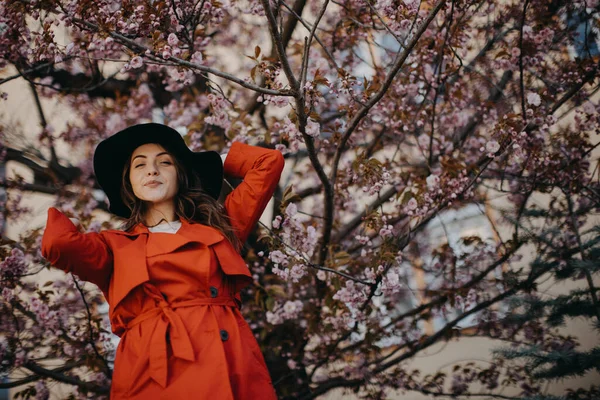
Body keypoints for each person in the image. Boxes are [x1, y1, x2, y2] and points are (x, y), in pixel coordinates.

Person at [41, 123, 284, 399]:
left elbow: (269, 162)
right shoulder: (113, 245)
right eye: (139, 165)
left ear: (181, 174)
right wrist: (70, 222)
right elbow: (57, 244)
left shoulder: (219, 229)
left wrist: (212, 162)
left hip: (228, 360)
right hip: (154, 370)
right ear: (129, 182)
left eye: (165, 162)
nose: (152, 170)